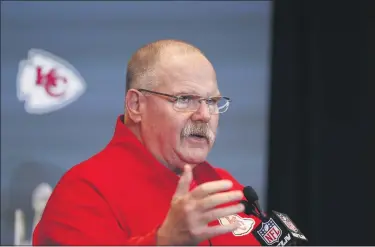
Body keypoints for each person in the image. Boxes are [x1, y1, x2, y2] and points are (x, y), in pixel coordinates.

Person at [33, 39, 262, 245]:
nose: (204, 114)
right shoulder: (83, 192)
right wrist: (163, 242)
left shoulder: (226, 185)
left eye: (212, 101)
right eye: (185, 99)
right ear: (136, 105)